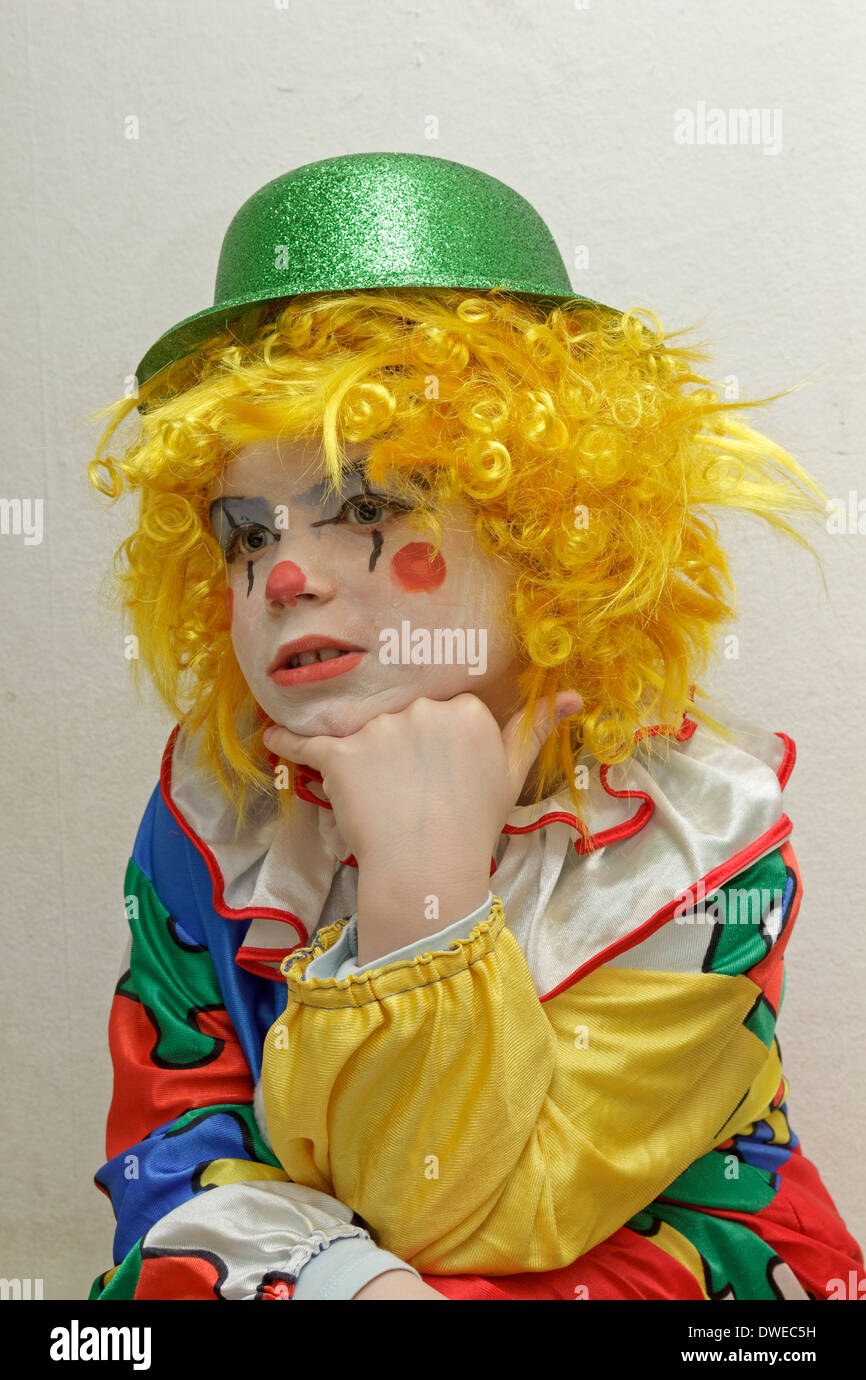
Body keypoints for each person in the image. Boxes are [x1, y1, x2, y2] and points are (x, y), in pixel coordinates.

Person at [87, 153, 864, 1300]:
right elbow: (170, 1158)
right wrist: (347, 1279)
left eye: (365, 508)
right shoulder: (219, 811)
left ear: (547, 539)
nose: (286, 571)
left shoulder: (694, 836)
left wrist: (422, 887)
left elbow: (494, 1218)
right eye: (246, 534)